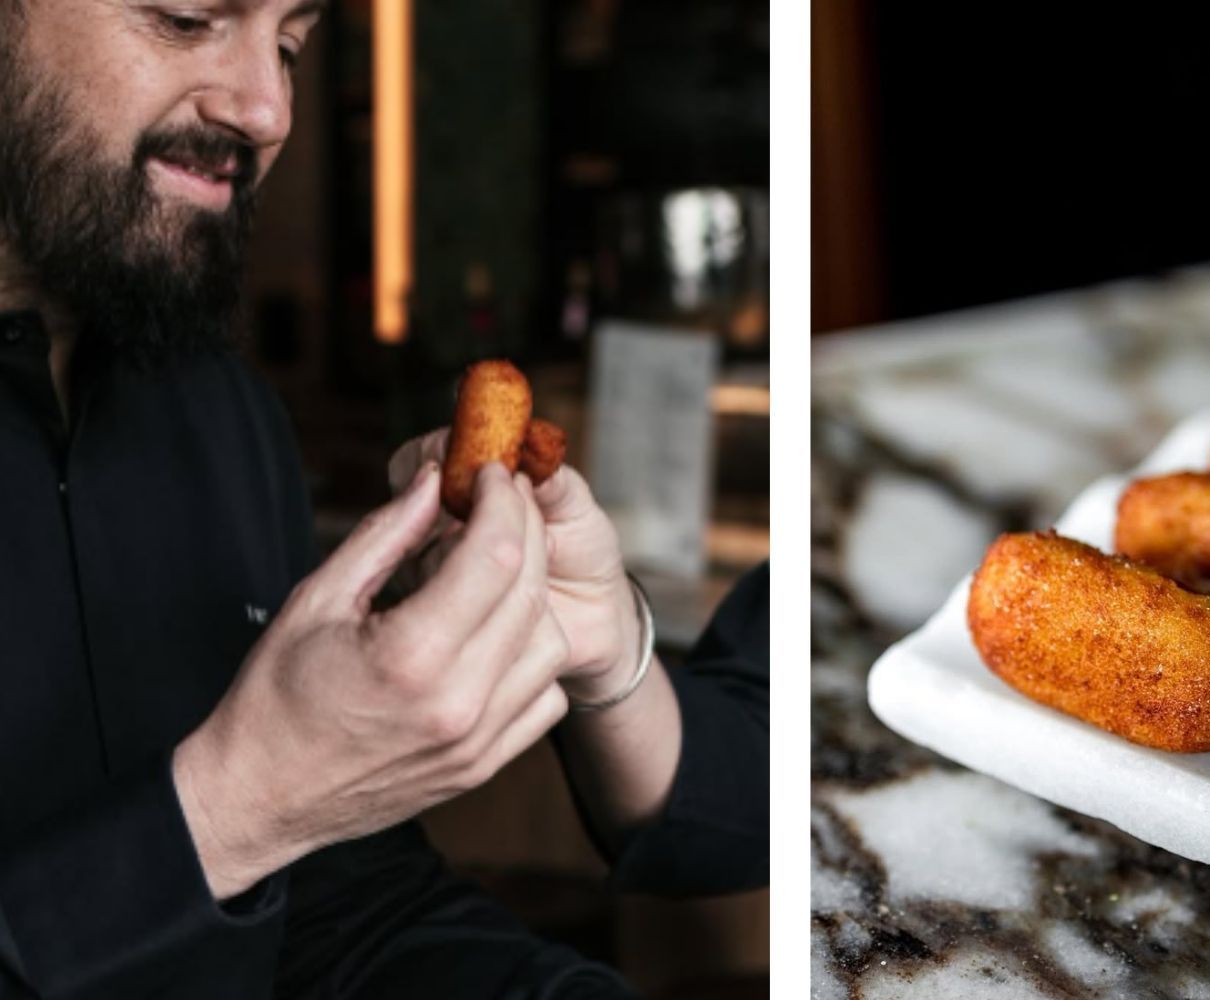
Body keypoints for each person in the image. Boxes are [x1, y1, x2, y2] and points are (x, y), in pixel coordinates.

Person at [0, 2, 768, 997]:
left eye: (289, 44)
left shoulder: (223, 413)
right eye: (187, 16)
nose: (268, 108)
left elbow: (339, 906)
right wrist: (234, 807)